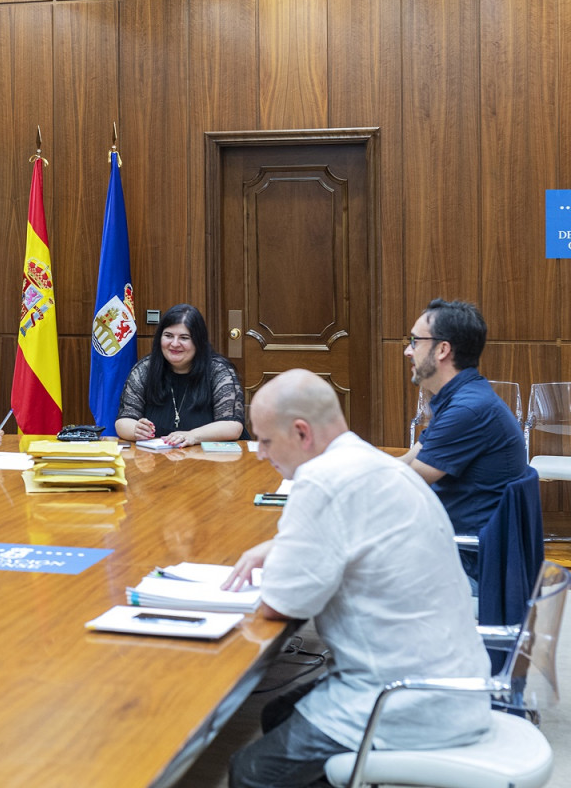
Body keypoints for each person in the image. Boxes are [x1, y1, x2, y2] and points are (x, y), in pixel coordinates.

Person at [222, 370, 490, 787]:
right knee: (277, 713)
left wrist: (281, 557)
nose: (260, 453)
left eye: (266, 440)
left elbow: (282, 604)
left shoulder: (321, 479)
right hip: (458, 677)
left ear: (301, 432)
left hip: (405, 699)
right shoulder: (376, 463)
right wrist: (280, 547)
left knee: (251, 771)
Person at [400, 299, 528, 575]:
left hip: (467, 566)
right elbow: (405, 464)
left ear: (443, 349)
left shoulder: (468, 409)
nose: (407, 351)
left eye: (415, 341)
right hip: (449, 547)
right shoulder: (459, 397)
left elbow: (406, 484)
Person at [115, 303, 245, 446]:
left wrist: (192, 436)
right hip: (157, 460)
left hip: (208, 460)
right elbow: (123, 421)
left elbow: (232, 426)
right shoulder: (145, 369)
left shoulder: (219, 371)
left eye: (184, 338)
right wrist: (136, 430)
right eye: (168, 336)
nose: (175, 344)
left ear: (198, 342)